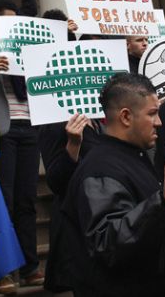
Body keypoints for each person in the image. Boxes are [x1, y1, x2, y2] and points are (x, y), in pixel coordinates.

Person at [61, 73, 165, 297]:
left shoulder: (135, 157)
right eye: (152, 114)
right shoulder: (100, 169)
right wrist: (162, 204)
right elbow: (107, 243)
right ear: (125, 117)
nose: (159, 122)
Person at [0, 0, 44, 293]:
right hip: (1, 130)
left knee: (26, 200)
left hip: (29, 127)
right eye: (7, 21)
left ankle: (30, 266)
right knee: (4, 199)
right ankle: (4, 270)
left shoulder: (28, 50)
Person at [37, 114, 104, 293]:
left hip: (102, 221)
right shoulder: (54, 124)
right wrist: (73, 145)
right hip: (76, 226)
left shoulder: (102, 119)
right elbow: (56, 182)